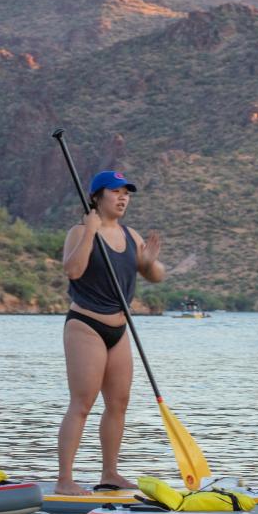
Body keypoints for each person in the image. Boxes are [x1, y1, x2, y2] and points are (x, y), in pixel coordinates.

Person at [55, 170, 164, 496]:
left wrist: (148, 263)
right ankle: (64, 479)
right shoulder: (79, 231)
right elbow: (72, 270)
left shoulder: (131, 235)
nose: (123, 198)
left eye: (126, 193)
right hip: (85, 325)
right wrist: (90, 232)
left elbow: (156, 275)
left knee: (119, 402)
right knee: (82, 403)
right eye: (115, 192)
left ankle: (110, 473)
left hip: (119, 328)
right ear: (96, 197)